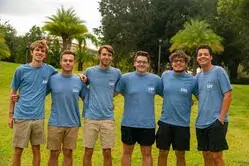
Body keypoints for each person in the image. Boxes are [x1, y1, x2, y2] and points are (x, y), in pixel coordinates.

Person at [8, 40, 56, 166]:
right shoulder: (20, 70)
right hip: (21, 116)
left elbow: (63, 76)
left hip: (38, 118)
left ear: (45, 55)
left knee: (36, 150)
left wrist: (79, 77)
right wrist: (10, 115)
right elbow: (13, 93)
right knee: (18, 150)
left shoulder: (50, 70)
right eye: (37, 50)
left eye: (42, 51)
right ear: (32, 52)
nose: (40, 53)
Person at [116, 51, 163, 166]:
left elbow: (167, 95)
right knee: (127, 153)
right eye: (139, 62)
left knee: (147, 154)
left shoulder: (156, 80)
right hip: (128, 123)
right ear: (134, 63)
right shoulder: (125, 78)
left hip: (147, 124)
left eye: (144, 62)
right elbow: (115, 92)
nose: (141, 64)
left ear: (148, 64)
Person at [156, 50, 198, 166]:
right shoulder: (165, 75)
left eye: (181, 61)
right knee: (162, 153)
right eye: (175, 61)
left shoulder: (192, 80)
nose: (178, 63)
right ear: (171, 63)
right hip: (165, 122)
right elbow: (161, 91)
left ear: (186, 64)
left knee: (180, 155)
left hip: (182, 124)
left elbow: (200, 97)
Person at [47, 50, 88, 166]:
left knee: (68, 153)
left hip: (73, 124)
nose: (68, 63)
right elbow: (39, 94)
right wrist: (20, 96)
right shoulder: (52, 79)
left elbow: (88, 98)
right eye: (65, 60)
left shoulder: (79, 81)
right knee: (54, 153)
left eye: (70, 61)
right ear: (60, 62)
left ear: (74, 63)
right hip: (55, 123)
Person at [82, 45, 121, 166]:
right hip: (91, 117)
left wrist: (109, 98)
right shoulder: (89, 71)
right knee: (88, 151)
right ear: (99, 55)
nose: (106, 57)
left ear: (111, 57)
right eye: (104, 54)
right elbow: (82, 85)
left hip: (107, 118)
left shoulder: (117, 73)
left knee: (107, 151)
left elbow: (119, 89)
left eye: (109, 55)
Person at [195, 45, 232, 166]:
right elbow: (198, 95)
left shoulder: (218, 71)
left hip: (216, 121)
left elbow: (228, 94)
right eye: (200, 54)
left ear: (211, 57)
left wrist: (221, 118)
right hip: (201, 122)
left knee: (216, 156)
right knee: (206, 155)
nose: (202, 56)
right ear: (197, 58)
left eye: (205, 54)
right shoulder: (197, 77)